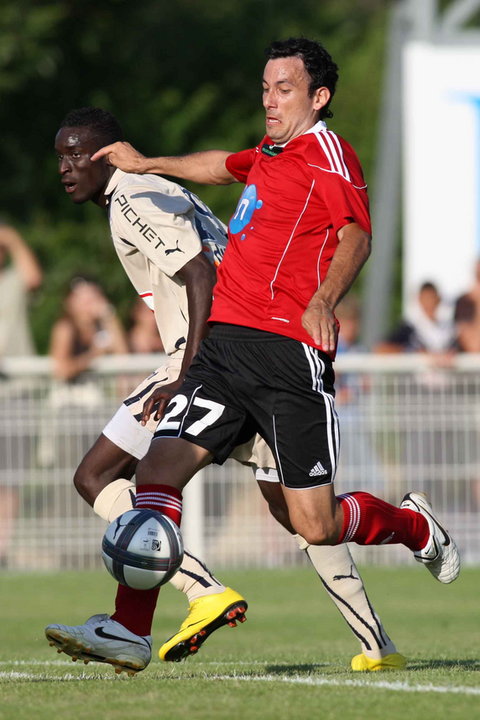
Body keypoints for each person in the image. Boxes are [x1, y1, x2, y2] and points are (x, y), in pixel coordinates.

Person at [44, 104, 407, 676]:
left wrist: (188, 373)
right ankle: (378, 637)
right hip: (240, 349)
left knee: (97, 476)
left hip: (207, 355)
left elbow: (200, 273)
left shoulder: (131, 197)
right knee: (298, 515)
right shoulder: (154, 186)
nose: (65, 167)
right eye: (59, 156)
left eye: (76, 153)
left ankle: (195, 592)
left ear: (108, 152)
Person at [0, 221, 43, 565]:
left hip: (15, 395)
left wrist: (11, 235)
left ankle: (2, 548)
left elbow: (32, 276)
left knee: (10, 478)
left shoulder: (11, 283)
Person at [375, 282, 455, 355]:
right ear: (419, 300)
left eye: (431, 298)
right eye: (426, 299)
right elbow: (381, 348)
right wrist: (414, 352)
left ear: (438, 299)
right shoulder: (409, 328)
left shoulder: (450, 329)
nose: (429, 303)